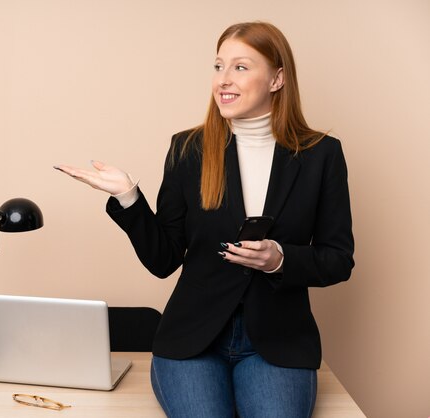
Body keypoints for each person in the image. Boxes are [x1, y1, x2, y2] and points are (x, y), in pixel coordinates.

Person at [55, 21, 354, 418]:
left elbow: (338, 259)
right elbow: (163, 260)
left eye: (240, 67)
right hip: (192, 340)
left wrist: (280, 260)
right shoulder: (188, 149)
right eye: (218, 67)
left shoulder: (322, 154)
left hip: (278, 341)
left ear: (277, 78)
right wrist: (129, 197)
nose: (223, 81)